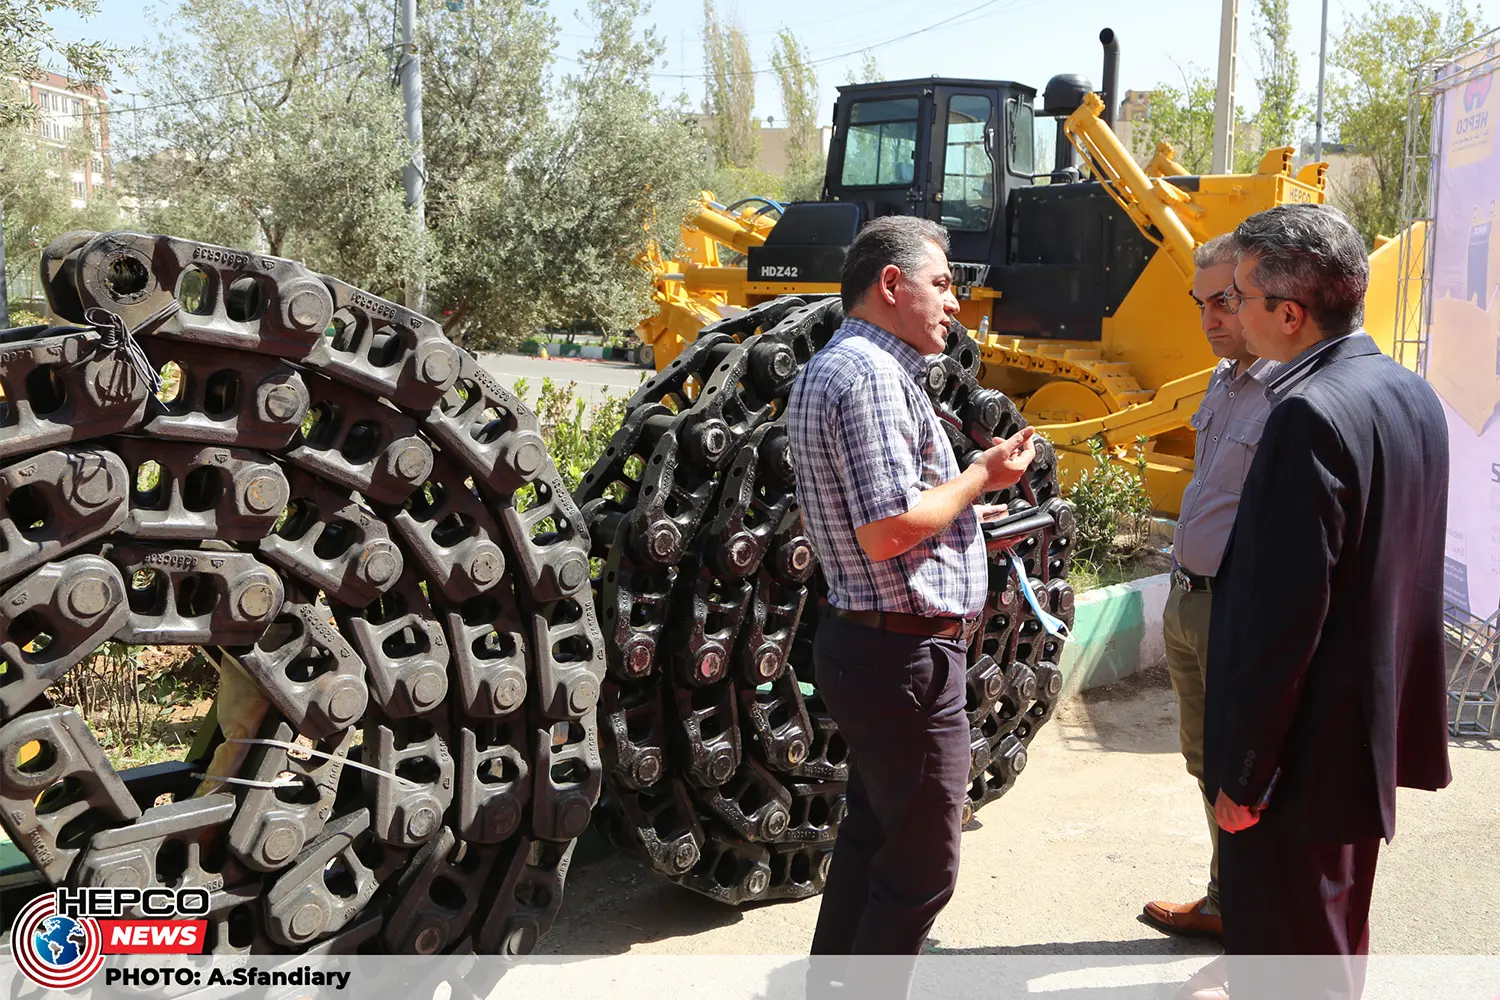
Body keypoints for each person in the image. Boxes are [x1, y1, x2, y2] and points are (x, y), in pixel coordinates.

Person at [1198, 204, 1452, 999]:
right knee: (1331, 947)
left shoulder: (1306, 415)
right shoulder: (1408, 392)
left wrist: (1243, 774)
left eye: (1237, 295)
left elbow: (1284, 622)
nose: (1229, 311)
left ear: (1289, 312)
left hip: (1298, 761)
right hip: (1359, 740)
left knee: (1287, 962)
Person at [786, 215, 1036, 998]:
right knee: (924, 864)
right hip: (902, 658)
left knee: (874, 835)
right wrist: (981, 478)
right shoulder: (867, 376)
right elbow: (889, 528)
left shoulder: (851, 369)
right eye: (943, 284)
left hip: (876, 645)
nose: (956, 304)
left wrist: (965, 512)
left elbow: (894, 516)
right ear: (890, 285)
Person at [1143, 234, 1277, 943]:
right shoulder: (1222, 382)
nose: (1210, 319)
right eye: (1201, 304)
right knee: (1205, 761)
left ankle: (1257, 916)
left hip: (1236, 609)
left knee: (1248, 771)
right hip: (1189, 599)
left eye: (1224, 301)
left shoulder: (1288, 394)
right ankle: (1227, 897)